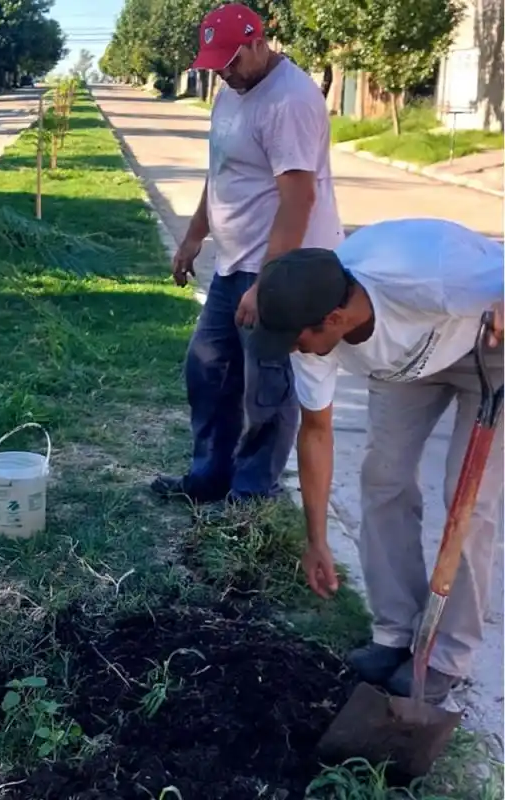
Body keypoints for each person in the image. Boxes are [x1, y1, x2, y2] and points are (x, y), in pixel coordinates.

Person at [249, 217, 504, 704]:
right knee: (383, 477)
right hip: (405, 365)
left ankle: (444, 656)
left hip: (488, 347)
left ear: (333, 319)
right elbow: (316, 432)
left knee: (468, 501)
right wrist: (316, 540)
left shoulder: (430, 271)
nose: (294, 351)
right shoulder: (310, 318)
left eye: (297, 340)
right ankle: (395, 633)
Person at [151, 2, 344, 506]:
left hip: (279, 271)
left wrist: (268, 283)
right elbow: (222, 170)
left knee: (267, 389)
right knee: (208, 370)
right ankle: (209, 477)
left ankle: (253, 495)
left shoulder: (289, 100)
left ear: (259, 42)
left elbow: (299, 200)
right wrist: (194, 235)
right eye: (216, 64)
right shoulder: (231, 91)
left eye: (232, 60)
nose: (225, 72)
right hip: (234, 264)